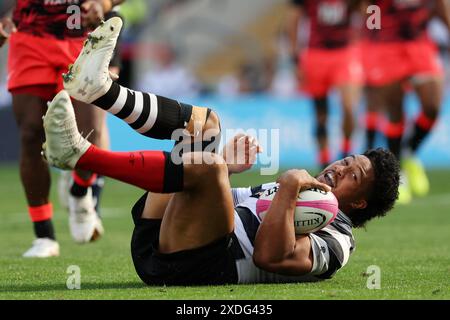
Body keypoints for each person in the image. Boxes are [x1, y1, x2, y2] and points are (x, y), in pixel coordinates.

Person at [41, 18, 400, 285]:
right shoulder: (301, 191)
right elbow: (213, 201)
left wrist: (287, 186)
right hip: (167, 238)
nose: (339, 168)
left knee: (210, 166)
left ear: (360, 203)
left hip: (199, 265)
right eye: (347, 160)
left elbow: (269, 257)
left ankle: (80, 156)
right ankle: (101, 91)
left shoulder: (339, 240)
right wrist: (227, 168)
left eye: (354, 175)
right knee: (206, 125)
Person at [0, 0, 125, 258]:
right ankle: (43, 235)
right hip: (30, 38)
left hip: (82, 37)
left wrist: (103, 3)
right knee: (30, 134)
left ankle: (80, 191)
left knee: (88, 134)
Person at [362, 0, 450, 204]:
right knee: (394, 111)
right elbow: (366, 9)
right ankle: (398, 171)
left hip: (419, 44)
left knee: (432, 107)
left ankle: (409, 150)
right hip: (386, 46)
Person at [288, 0, 364, 169]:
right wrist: (295, 57)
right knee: (321, 115)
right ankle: (324, 162)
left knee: (349, 107)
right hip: (316, 55)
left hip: (345, 52)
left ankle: (345, 152)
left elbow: (368, 13)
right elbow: (294, 18)